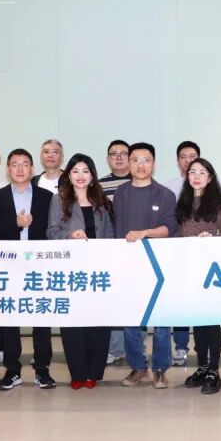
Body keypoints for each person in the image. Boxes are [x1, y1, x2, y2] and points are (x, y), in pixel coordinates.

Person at [0, 148, 56, 391]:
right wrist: (14, 224)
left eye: (25, 164)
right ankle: (12, 370)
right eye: (14, 164)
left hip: (40, 265)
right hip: (9, 265)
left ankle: (42, 369)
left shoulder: (47, 197)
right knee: (10, 318)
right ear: (7, 169)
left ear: (32, 169)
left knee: (41, 317)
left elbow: (53, 229)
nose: (20, 169)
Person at [47, 154, 116, 389]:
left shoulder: (103, 201)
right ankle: (77, 373)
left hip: (98, 270)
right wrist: (70, 235)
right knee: (73, 323)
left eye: (85, 171)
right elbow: (51, 232)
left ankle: (93, 373)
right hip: (71, 270)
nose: (80, 176)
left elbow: (110, 234)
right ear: (68, 175)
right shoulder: (58, 199)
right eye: (75, 171)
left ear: (93, 176)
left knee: (98, 321)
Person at [114, 142, 179, 388]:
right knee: (130, 320)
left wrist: (145, 233)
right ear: (129, 163)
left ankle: (160, 369)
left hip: (157, 265)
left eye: (146, 160)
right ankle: (138, 367)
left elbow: (169, 228)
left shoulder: (165, 194)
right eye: (136, 160)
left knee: (161, 320)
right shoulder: (120, 193)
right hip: (128, 265)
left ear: (154, 163)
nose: (141, 165)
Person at [175, 157, 221, 394]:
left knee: (211, 322)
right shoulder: (182, 203)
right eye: (192, 172)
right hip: (189, 269)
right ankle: (202, 366)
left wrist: (213, 238)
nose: (196, 176)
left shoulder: (218, 204)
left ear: (210, 177)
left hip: (212, 270)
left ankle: (214, 370)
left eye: (202, 172)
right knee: (197, 320)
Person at [164, 141, 201, 364]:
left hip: (202, 253)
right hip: (177, 252)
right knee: (180, 300)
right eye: (183, 157)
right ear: (178, 161)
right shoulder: (169, 187)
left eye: (192, 156)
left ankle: (203, 347)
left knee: (201, 300)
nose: (188, 161)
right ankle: (180, 346)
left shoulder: (209, 186)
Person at [99, 139, 131, 364]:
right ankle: (115, 348)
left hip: (136, 250)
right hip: (109, 250)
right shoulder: (99, 186)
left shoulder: (140, 182)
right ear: (108, 158)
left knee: (134, 299)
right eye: (113, 154)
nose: (118, 157)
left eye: (123, 153)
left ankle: (135, 348)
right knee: (114, 299)